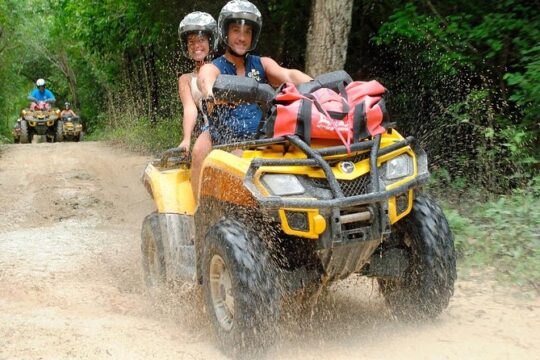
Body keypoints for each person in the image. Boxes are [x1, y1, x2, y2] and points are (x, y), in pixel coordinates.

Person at [190, 0, 312, 200]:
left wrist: (317, 85)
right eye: (236, 30)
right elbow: (206, 76)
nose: (242, 37)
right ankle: (197, 210)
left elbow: (289, 75)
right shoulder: (216, 65)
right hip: (225, 138)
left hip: (261, 138)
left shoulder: (262, 63)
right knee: (200, 151)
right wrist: (210, 92)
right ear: (225, 32)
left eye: (247, 32)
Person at [176, 11, 217, 152]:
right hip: (209, 131)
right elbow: (189, 109)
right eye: (191, 42)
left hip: (234, 127)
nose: (196, 46)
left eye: (201, 40)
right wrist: (186, 138)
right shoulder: (186, 79)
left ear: (210, 42)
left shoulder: (223, 67)